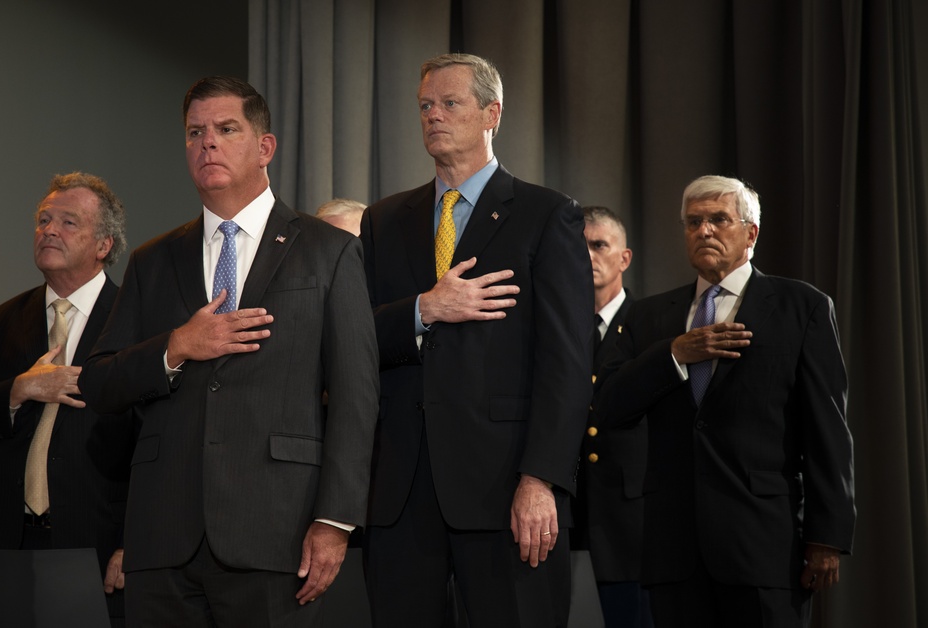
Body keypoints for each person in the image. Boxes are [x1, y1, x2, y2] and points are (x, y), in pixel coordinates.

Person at [78, 76, 379, 627]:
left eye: (225, 129)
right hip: (164, 537)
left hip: (278, 534)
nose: (206, 143)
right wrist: (175, 347)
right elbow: (98, 382)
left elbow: (358, 396)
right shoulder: (153, 259)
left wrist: (335, 521)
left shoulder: (329, 250)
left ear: (264, 147)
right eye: (195, 132)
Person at [359, 53, 593, 627]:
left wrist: (541, 479)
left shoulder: (546, 215)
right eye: (424, 106)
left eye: (449, 103)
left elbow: (566, 362)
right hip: (402, 494)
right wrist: (423, 309)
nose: (432, 116)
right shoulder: (384, 220)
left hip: (505, 488)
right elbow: (354, 337)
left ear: (493, 113)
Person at [594, 175, 855, 627]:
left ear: (751, 233)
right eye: (693, 222)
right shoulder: (651, 316)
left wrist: (826, 536)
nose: (704, 231)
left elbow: (827, 430)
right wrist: (674, 354)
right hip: (674, 551)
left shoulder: (801, 306)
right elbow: (611, 406)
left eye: (718, 220)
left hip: (764, 547)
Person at [0, 172, 135, 627]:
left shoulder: (135, 319)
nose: (49, 230)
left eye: (68, 222)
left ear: (104, 245)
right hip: (8, 544)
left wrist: (137, 543)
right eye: (43, 220)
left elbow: (159, 445)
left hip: (96, 549)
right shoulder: (4, 320)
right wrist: (20, 389)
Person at [574, 207, 653, 628]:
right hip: (566, 516)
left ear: (624, 258)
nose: (588, 256)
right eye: (579, 246)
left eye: (599, 245)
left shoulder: (648, 326)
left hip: (628, 523)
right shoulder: (557, 330)